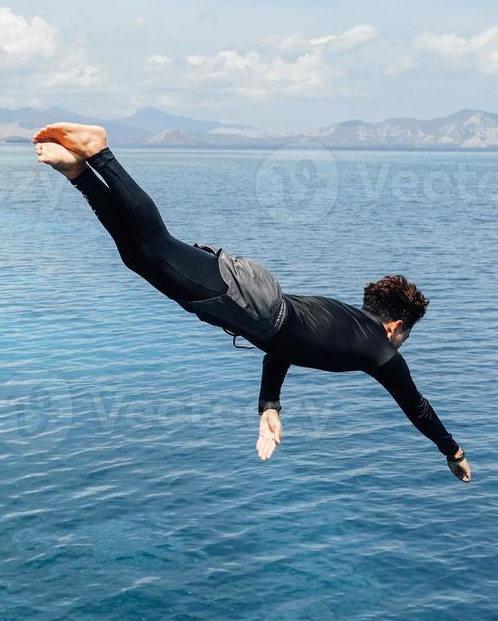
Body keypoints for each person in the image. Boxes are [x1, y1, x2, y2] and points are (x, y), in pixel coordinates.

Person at [33, 122, 471, 482]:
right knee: (155, 246)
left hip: (254, 311)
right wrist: (451, 451)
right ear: (395, 326)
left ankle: (78, 173)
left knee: (138, 257)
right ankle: (100, 152)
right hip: (254, 303)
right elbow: (418, 408)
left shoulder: (344, 322)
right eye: (406, 337)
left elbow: (283, 347)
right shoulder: (380, 351)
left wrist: (269, 408)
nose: (401, 346)